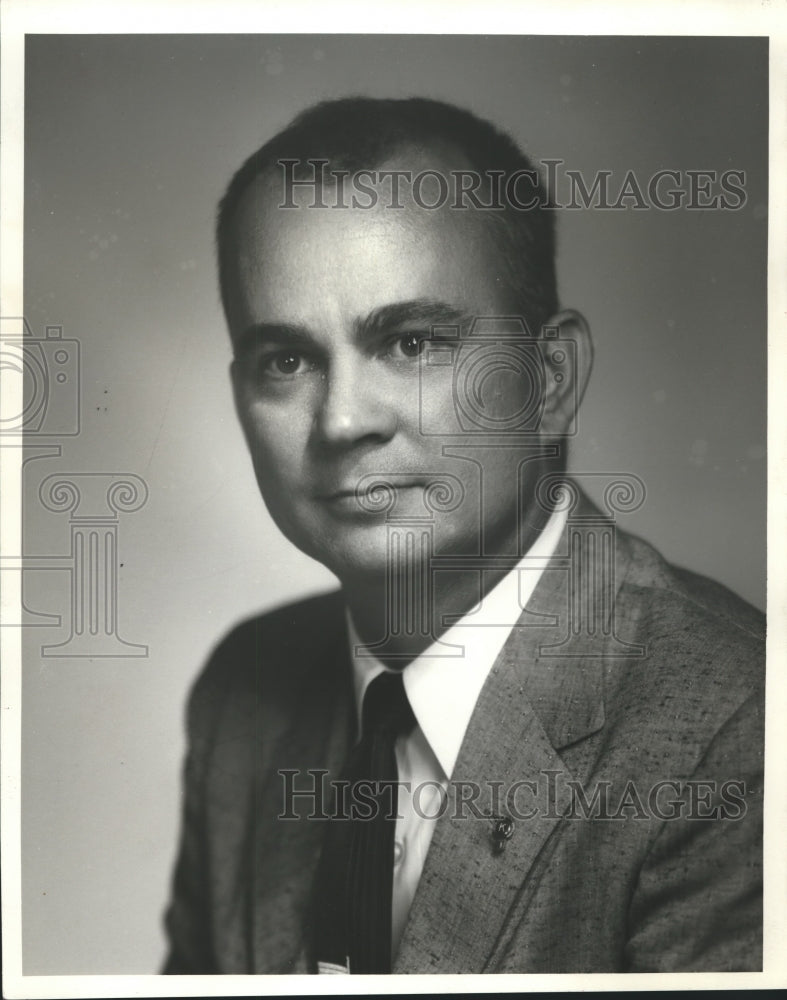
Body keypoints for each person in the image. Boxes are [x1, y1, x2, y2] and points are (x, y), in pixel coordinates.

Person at [162, 97, 764, 975]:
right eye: (285, 361)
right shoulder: (241, 695)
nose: (340, 421)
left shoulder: (738, 728)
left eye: (410, 343)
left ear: (548, 381)